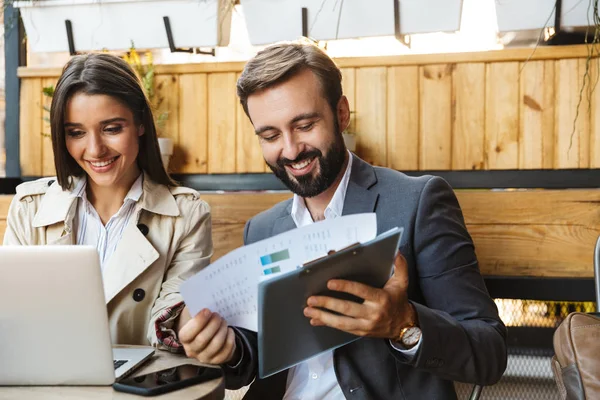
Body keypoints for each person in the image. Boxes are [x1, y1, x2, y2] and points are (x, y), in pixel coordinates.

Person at [179, 42, 507, 399]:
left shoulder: (418, 202)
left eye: (304, 125)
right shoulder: (262, 229)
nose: (289, 150)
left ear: (342, 113)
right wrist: (227, 349)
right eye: (270, 136)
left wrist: (404, 325)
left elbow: (489, 352)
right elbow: (255, 356)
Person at [4, 53, 213, 351]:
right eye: (76, 133)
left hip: (136, 389)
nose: (95, 150)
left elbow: (176, 311)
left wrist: (194, 325)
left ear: (140, 123)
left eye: (112, 129)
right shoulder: (29, 208)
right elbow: (14, 313)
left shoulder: (186, 216)